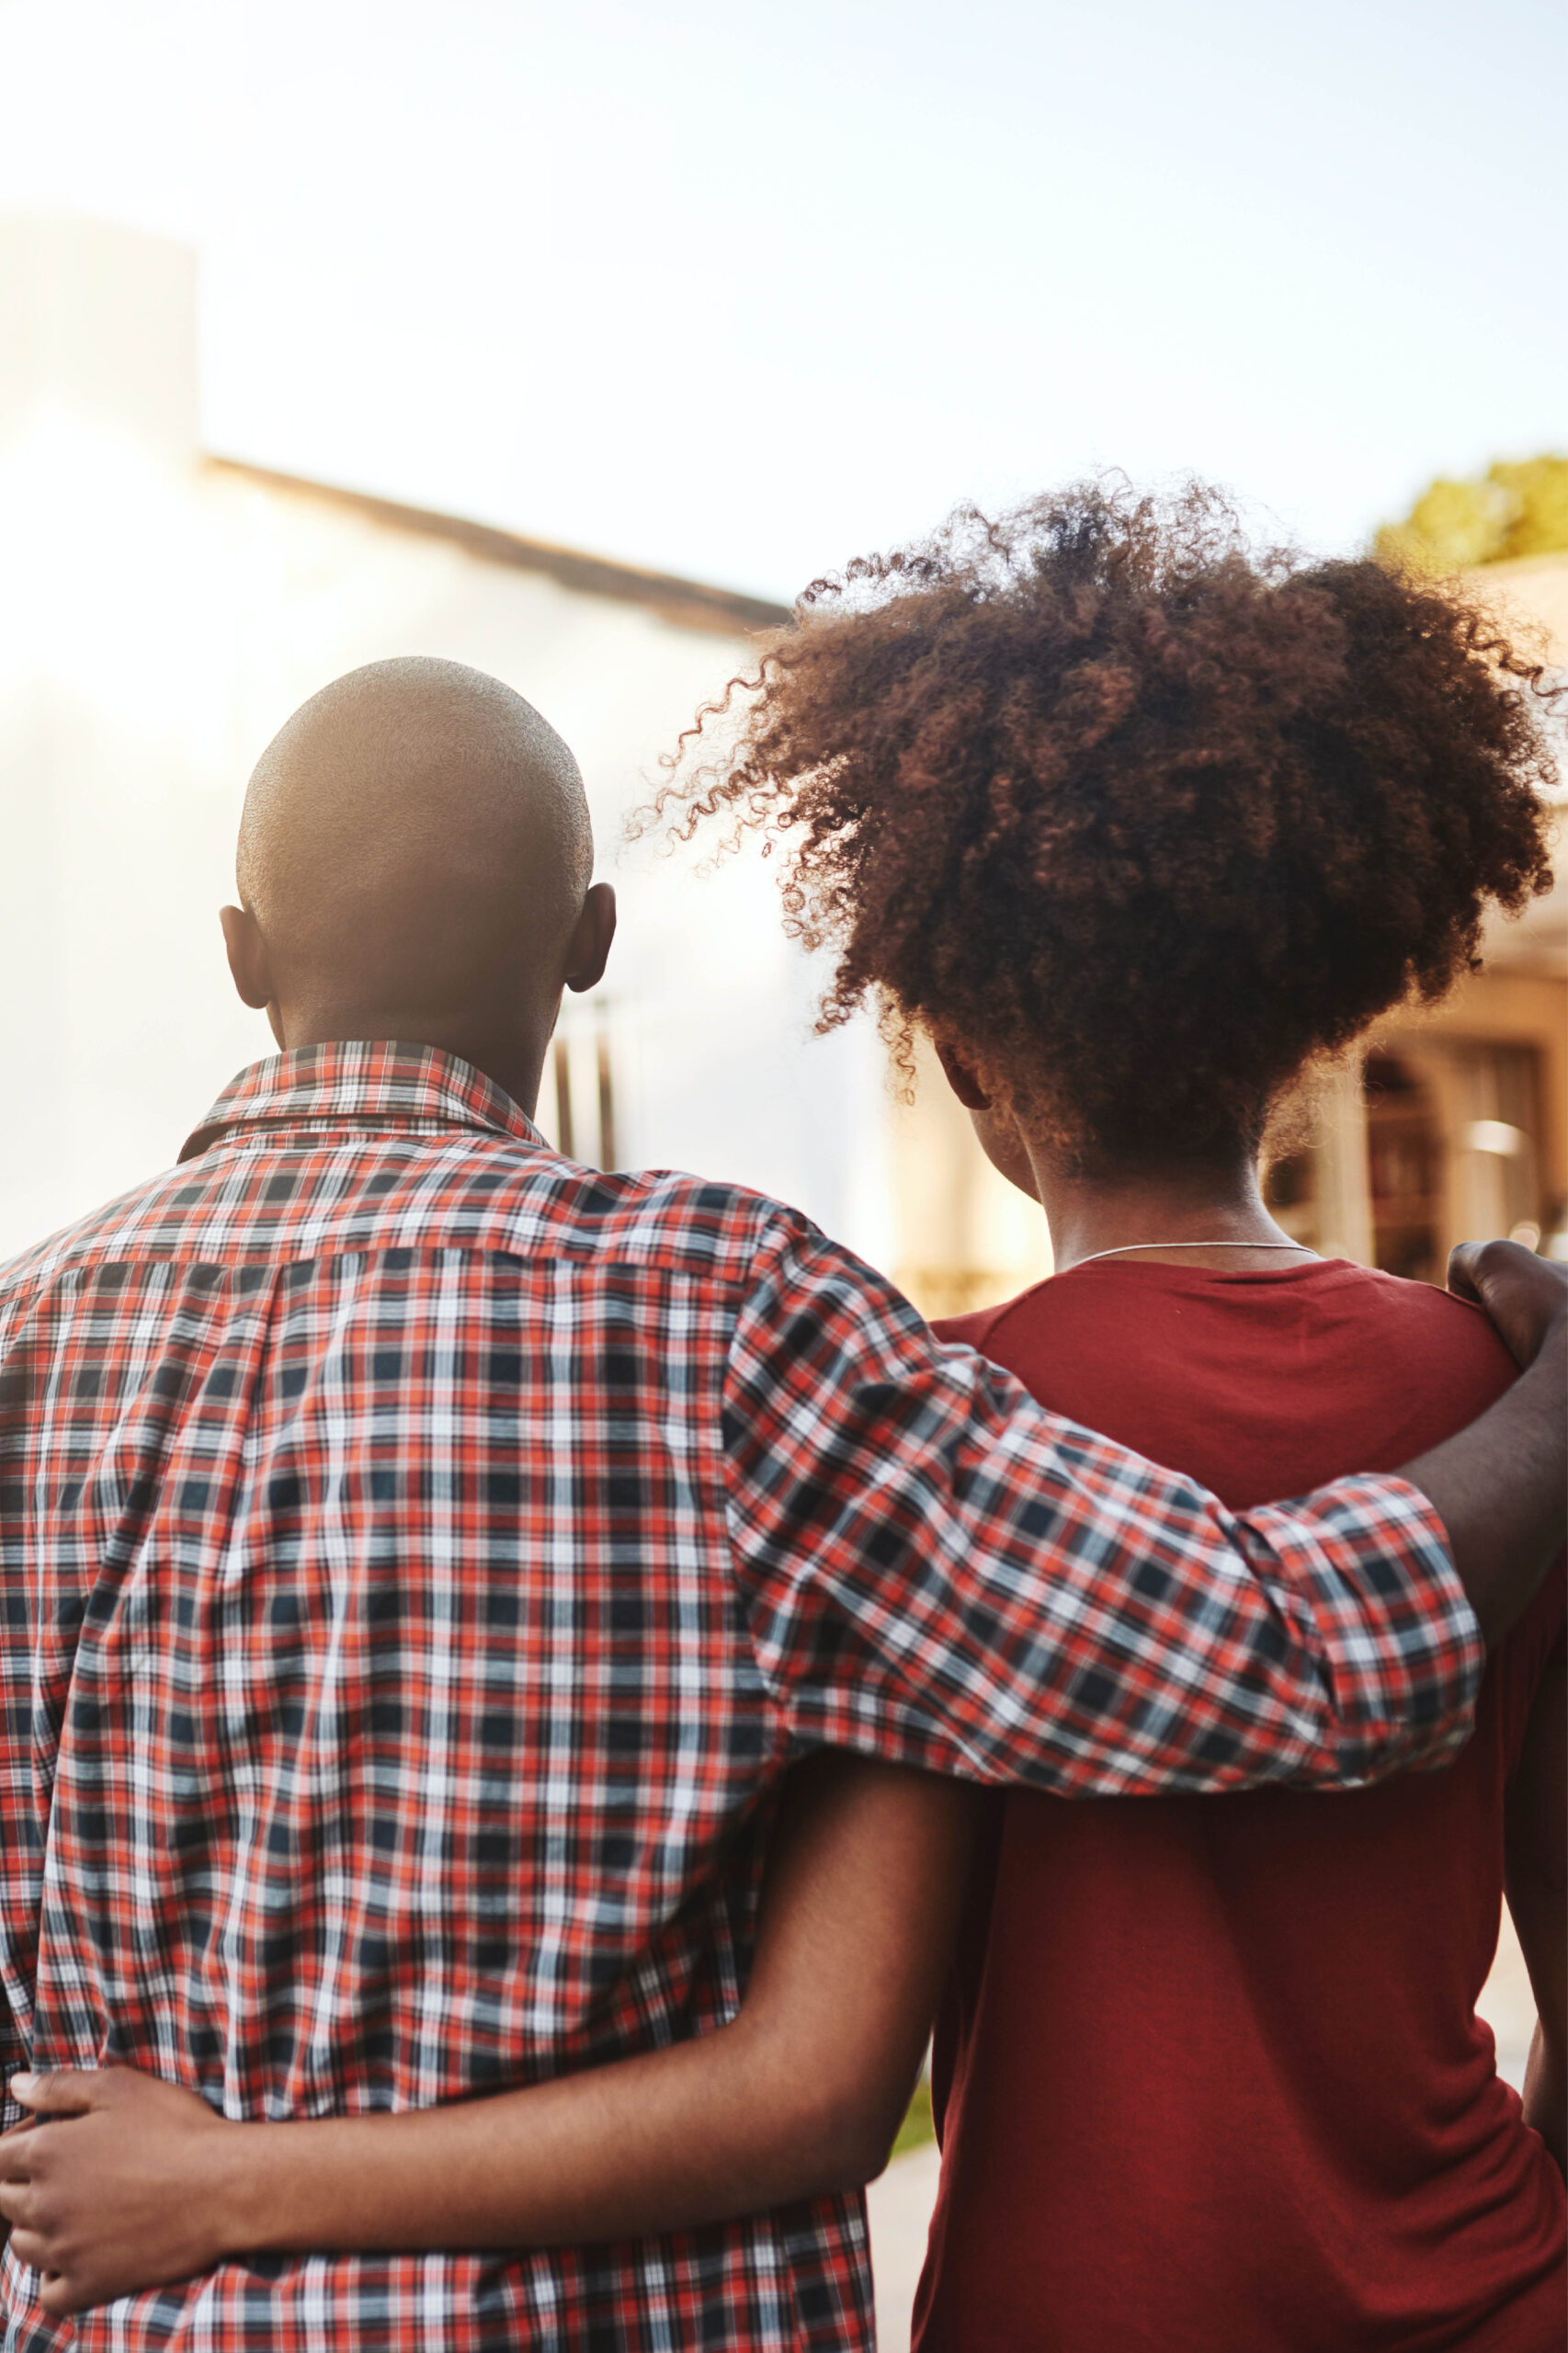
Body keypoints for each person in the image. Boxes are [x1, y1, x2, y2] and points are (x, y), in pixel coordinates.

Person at [0, 620, 1562, 2353]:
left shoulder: (24, 1340)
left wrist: (210, 2182)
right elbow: (1270, 1652)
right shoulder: (741, 1328)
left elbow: (833, 2061)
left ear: (238, 956)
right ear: (588, 944)